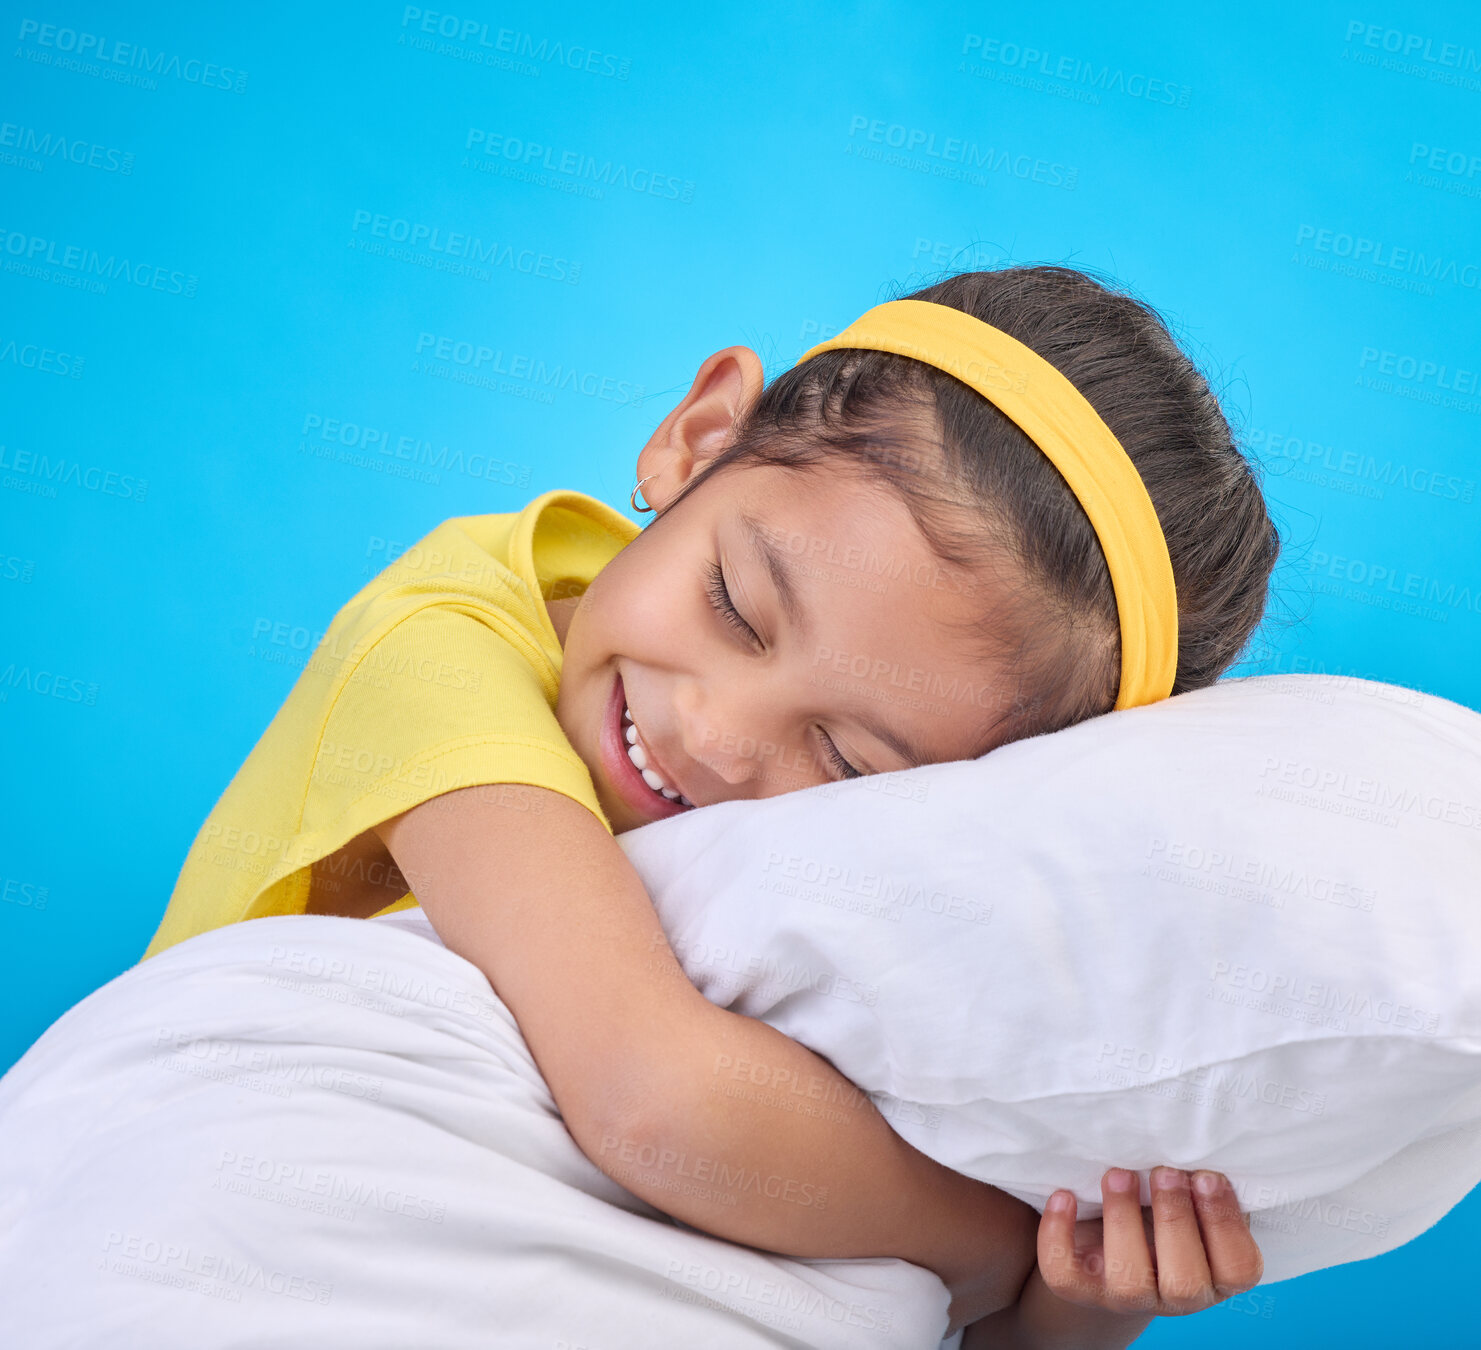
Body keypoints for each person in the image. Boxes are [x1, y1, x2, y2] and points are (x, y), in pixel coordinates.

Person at [142, 265, 1280, 1344]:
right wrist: (1000, 1248)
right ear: (696, 440)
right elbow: (655, 1103)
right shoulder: (438, 648)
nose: (718, 740)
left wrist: (1069, 1314)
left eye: (843, 759)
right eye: (736, 606)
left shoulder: (896, 889)